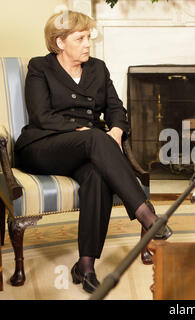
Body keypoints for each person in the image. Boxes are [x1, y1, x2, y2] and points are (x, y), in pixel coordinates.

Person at [14, 10, 172, 294]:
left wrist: (117, 130)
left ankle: (85, 266)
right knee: (96, 139)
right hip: (42, 146)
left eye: (89, 37)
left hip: (86, 152)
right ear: (60, 42)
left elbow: (117, 110)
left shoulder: (98, 68)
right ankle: (147, 215)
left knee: (97, 173)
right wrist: (89, 133)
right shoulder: (40, 67)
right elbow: (41, 115)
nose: (88, 44)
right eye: (80, 38)